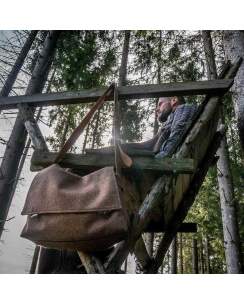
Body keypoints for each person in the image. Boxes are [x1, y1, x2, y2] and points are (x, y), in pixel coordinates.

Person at [123, 95, 198, 158]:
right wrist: (123, 147)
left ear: (174, 100)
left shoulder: (183, 108)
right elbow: (149, 145)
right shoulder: (170, 121)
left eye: (160, 104)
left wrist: (155, 162)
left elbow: (174, 141)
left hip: (162, 165)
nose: (156, 109)